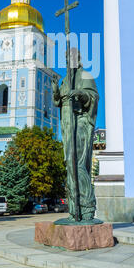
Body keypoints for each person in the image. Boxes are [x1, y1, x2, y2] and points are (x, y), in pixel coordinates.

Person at [52, 48, 99, 221]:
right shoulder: (66, 80)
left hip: (79, 122)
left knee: (77, 163)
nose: (68, 61)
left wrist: (80, 93)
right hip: (66, 124)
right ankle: (74, 208)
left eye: (71, 58)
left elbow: (94, 96)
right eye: (66, 58)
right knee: (69, 164)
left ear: (78, 59)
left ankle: (86, 206)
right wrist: (57, 92)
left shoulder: (85, 76)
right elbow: (58, 101)